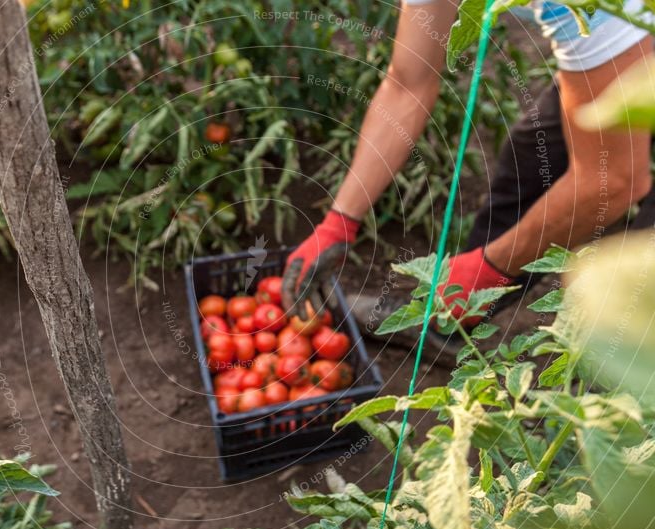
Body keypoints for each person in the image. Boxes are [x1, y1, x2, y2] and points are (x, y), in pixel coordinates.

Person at [281, 0, 655, 351]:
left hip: (628, 26)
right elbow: (408, 83)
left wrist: (488, 268)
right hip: (624, 42)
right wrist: (339, 221)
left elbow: (614, 181)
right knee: (532, 161)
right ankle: (449, 323)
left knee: (639, 293)